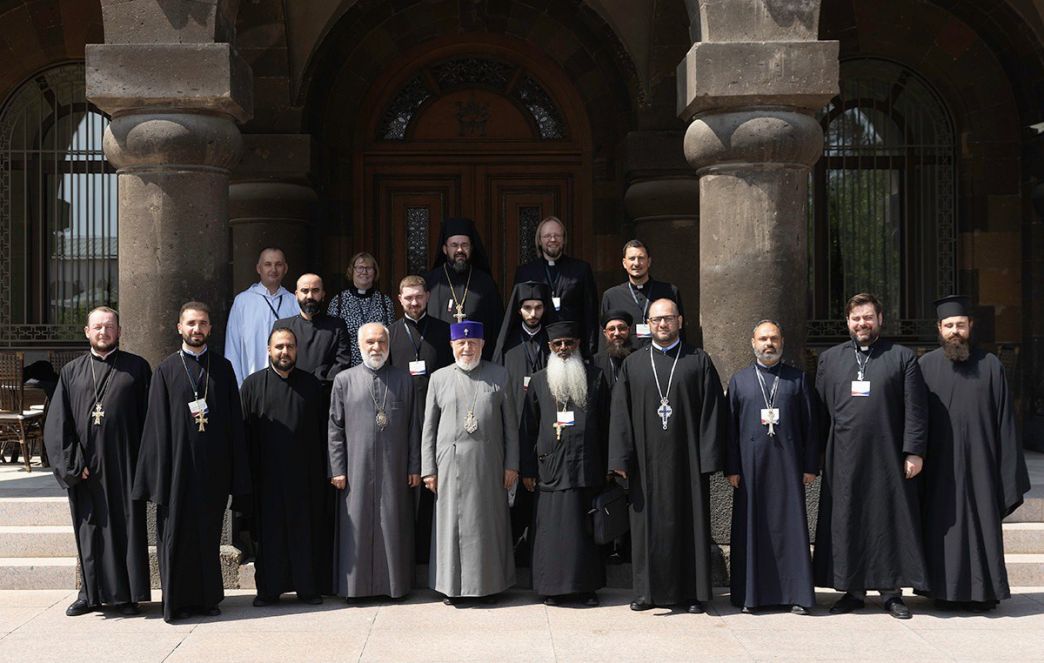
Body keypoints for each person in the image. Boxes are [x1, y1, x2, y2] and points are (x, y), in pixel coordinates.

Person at [133, 302, 252, 622]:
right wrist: (156, 478)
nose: (197, 329)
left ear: (211, 329)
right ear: (179, 328)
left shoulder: (224, 369)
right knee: (175, 537)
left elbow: (233, 425)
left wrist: (235, 474)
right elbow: (155, 428)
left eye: (202, 323)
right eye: (191, 323)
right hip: (177, 473)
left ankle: (206, 599)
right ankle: (176, 601)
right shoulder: (166, 370)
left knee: (207, 537)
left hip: (212, 471)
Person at [813, 292, 929, 620]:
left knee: (887, 521)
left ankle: (892, 592)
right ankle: (852, 591)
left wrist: (914, 452)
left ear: (880, 319)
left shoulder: (902, 357)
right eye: (855, 318)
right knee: (848, 521)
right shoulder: (830, 359)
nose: (862, 323)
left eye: (868, 317)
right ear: (847, 323)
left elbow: (916, 410)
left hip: (889, 457)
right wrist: (816, 455)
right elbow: (820, 412)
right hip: (843, 459)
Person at [608, 298, 726, 614]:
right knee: (646, 529)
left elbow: (713, 411)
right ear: (648, 324)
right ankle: (646, 593)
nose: (662, 324)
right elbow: (620, 413)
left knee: (689, 526)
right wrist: (620, 459)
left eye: (668, 318)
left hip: (687, 463)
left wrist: (709, 458)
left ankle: (692, 594)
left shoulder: (698, 361)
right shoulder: (633, 365)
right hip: (645, 467)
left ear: (680, 321)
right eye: (656, 319)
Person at [918, 295, 1030, 611]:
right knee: (943, 528)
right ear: (939, 328)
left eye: (961, 325)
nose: (955, 331)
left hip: (983, 464)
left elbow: (1005, 422)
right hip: (941, 466)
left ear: (971, 326)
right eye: (949, 325)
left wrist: (1005, 470)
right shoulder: (925, 367)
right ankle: (942, 591)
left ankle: (985, 592)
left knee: (983, 527)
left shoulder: (990, 365)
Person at [44, 307, 150, 617]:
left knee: (126, 530)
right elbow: (57, 424)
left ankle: (127, 595)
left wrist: (145, 463)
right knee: (90, 532)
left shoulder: (137, 368)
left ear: (119, 331)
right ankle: (89, 595)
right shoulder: (71, 372)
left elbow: (150, 420)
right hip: (87, 468)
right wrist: (73, 463)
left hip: (126, 465)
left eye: (109, 327)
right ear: (86, 332)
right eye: (97, 327)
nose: (103, 332)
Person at [421, 321, 518, 604]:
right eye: (461, 344)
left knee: (487, 526)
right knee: (451, 528)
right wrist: (429, 469)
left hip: (489, 465)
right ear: (452, 346)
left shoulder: (499, 375)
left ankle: (489, 587)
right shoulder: (439, 378)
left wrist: (512, 465)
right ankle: (452, 587)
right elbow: (429, 427)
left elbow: (510, 427)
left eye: (472, 343)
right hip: (449, 466)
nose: (467, 348)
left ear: (482, 345)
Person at [726, 320, 818, 614]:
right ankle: (751, 596)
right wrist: (731, 468)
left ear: (782, 341)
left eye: (774, 338)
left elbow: (812, 427)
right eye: (763, 338)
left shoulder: (798, 380)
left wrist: (810, 466)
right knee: (752, 529)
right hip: (750, 473)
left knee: (790, 530)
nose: (769, 344)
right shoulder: (739, 381)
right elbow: (728, 430)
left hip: (789, 469)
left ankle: (797, 595)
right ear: (752, 342)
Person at [329, 323, 421, 600]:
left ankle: (394, 587)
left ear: (388, 345)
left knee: (393, 524)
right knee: (356, 524)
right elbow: (335, 428)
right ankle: (355, 588)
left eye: (381, 342)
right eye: (370, 342)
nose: (376, 347)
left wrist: (415, 466)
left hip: (395, 468)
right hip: (355, 469)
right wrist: (337, 469)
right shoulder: (344, 380)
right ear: (360, 345)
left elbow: (414, 427)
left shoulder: (404, 380)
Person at [240, 327, 329, 606]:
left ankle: (308, 589)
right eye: (279, 347)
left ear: (297, 350)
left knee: (306, 534)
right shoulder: (252, 385)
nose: (284, 352)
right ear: (269, 350)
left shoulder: (312, 386)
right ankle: (268, 590)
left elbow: (323, 431)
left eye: (289, 346)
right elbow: (243, 433)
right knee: (270, 537)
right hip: (265, 478)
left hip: (305, 477)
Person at [524, 320, 609, 606]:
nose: (563, 349)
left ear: (578, 345)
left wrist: (611, 465)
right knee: (552, 533)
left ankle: (586, 589)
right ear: (549, 347)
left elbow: (608, 424)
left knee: (583, 533)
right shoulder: (538, 381)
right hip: (549, 469)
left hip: (586, 467)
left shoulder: (596, 377)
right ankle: (552, 588)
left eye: (568, 343)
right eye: (557, 344)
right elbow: (528, 428)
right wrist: (527, 469)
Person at [387, 274, 452, 564]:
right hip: (400, 420)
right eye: (408, 298)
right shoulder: (390, 334)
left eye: (418, 296)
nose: (414, 302)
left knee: (433, 487)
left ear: (427, 296)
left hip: (437, 418)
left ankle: (431, 554)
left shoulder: (444, 331)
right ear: (399, 300)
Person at [492, 280, 557, 566]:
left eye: (539, 307)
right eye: (528, 308)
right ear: (518, 310)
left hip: (546, 428)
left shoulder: (554, 344)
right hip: (514, 425)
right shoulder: (508, 345)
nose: (533, 314)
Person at [512, 216, 599, 356]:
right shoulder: (526, 272)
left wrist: (590, 350)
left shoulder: (581, 269)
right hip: (539, 346)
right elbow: (517, 313)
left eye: (557, 235)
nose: (553, 239)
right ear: (539, 241)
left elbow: (590, 313)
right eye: (547, 236)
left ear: (564, 240)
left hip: (572, 346)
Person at [425, 218, 503, 359]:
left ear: (471, 248)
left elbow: (497, 327)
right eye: (454, 245)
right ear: (444, 249)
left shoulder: (485, 283)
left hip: (478, 361)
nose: (460, 250)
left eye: (464, 245)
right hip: (441, 361)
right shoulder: (431, 282)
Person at [226, 247, 300, 386]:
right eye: (268, 264)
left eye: (278, 264)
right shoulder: (243, 301)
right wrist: (238, 386)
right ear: (258, 268)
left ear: (285, 268)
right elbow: (232, 347)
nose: (273, 269)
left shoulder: (294, 301)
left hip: (289, 383)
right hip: (251, 384)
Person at [273, 273, 352, 391]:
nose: (310, 296)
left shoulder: (337, 326)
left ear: (323, 294)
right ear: (296, 295)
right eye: (305, 291)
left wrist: (318, 384)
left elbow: (342, 363)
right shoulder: (282, 326)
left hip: (325, 395)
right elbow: (276, 360)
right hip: (291, 391)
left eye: (315, 290)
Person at [600, 240, 684, 349]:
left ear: (649, 262)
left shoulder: (669, 291)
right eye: (632, 258)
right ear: (624, 263)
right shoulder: (611, 296)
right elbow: (604, 336)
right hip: (625, 359)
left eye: (641, 258)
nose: (636, 263)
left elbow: (679, 330)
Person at [327, 251, 396, 368]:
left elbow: (391, 336)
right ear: (352, 271)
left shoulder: (385, 302)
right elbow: (331, 338)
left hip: (379, 366)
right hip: (347, 368)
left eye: (369, 268)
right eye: (360, 268)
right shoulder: (339, 301)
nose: (364, 272)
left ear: (374, 272)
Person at [592, 310, 634, 393]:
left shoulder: (640, 359)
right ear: (605, 333)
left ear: (629, 330)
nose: (617, 333)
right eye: (611, 329)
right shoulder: (595, 362)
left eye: (622, 328)